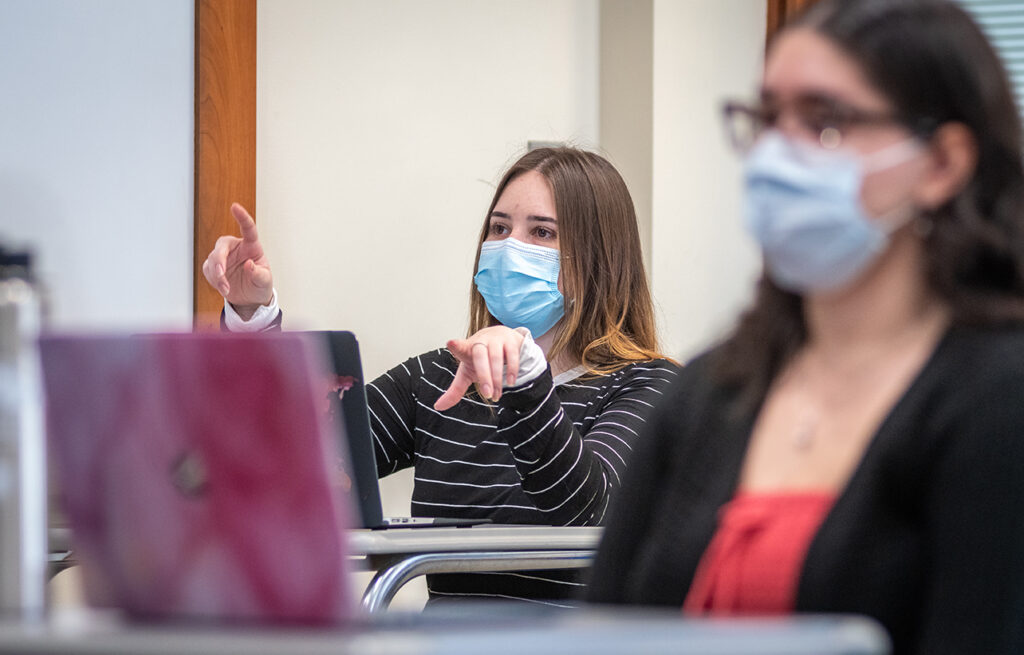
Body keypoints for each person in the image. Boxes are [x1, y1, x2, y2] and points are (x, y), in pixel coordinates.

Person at [586, 0, 1024, 652]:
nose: (775, 155)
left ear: (942, 163)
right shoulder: (713, 388)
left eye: (824, 123)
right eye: (767, 119)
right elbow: (603, 627)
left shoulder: (997, 396)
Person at [202, 146, 679, 606]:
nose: (509, 246)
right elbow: (288, 453)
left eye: (542, 233)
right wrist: (253, 315)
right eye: (499, 227)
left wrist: (524, 377)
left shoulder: (649, 386)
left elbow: (587, 511)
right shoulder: (440, 377)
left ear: (599, 258)